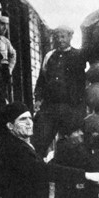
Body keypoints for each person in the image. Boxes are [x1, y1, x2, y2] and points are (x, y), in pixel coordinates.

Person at [33, 25, 87, 157]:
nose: (60, 39)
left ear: (70, 37)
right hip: (50, 107)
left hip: (70, 108)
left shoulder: (78, 56)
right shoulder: (49, 56)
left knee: (71, 145)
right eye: (57, 36)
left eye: (63, 36)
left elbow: (83, 84)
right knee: (40, 141)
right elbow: (41, 80)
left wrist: (79, 112)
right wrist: (38, 99)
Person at [0, 15, 17, 101]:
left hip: (4, 71)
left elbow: (13, 54)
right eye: (2, 24)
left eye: (7, 24)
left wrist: (10, 68)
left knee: (4, 96)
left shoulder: (5, 40)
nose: (5, 27)